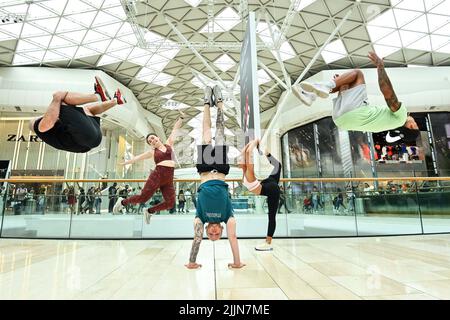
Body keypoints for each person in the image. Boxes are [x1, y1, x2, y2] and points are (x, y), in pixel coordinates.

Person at [293, 52, 419, 142]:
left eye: (416, 124)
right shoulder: (387, 125)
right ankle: (312, 95)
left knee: (358, 74)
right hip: (340, 120)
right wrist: (341, 84)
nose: (414, 121)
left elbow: (388, 93)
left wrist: (380, 67)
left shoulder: (402, 116)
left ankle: (325, 86)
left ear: (411, 126)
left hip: (356, 112)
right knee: (345, 82)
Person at [185, 85, 245, 270]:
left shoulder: (200, 219)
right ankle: (219, 103)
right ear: (221, 231)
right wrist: (236, 262)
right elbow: (233, 237)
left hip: (204, 171)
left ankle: (205, 102)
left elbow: (196, 238)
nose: (211, 232)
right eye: (216, 235)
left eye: (209, 235)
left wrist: (192, 262)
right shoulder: (229, 217)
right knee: (220, 131)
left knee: (206, 133)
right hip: (220, 170)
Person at [113, 112, 185, 222]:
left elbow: (175, 130)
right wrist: (124, 163)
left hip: (168, 178)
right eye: (150, 141)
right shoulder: (152, 152)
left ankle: (150, 211)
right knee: (143, 198)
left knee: (170, 203)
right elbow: (137, 158)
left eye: (152, 138)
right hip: (157, 175)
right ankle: (122, 202)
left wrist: (181, 118)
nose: (152, 141)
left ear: (158, 137)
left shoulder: (169, 144)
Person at [29, 77, 126, 153]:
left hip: (92, 139)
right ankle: (98, 96)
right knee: (60, 100)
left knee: (86, 110)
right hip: (85, 137)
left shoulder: (55, 133)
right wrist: (56, 99)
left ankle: (115, 101)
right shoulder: (39, 127)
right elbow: (48, 122)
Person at [239, 139, 282, 251]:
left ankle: (268, 242)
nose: (240, 162)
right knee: (277, 165)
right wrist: (254, 141)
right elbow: (245, 153)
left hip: (272, 188)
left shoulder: (247, 172)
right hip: (269, 184)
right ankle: (267, 154)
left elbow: (247, 153)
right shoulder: (246, 171)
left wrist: (254, 142)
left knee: (271, 216)